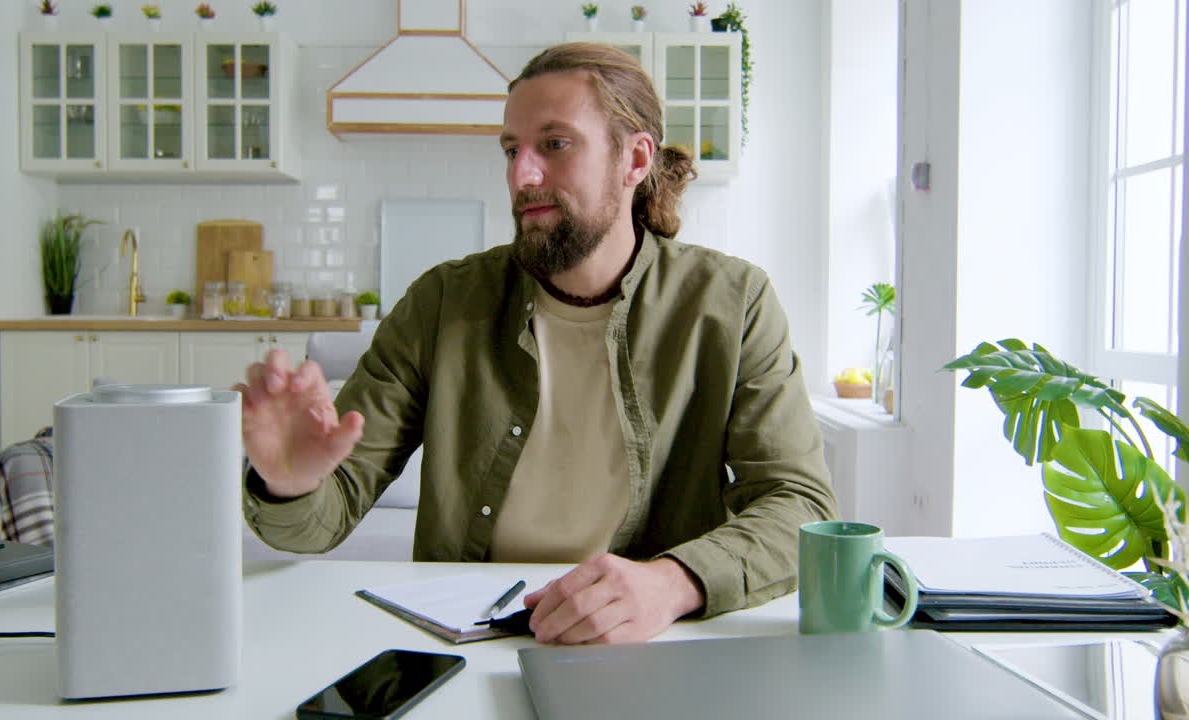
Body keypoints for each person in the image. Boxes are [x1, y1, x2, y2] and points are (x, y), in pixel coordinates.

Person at [238, 42, 838, 645]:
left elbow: (800, 506)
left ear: (634, 159)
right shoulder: (443, 303)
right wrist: (290, 484)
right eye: (511, 149)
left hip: (648, 636)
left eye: (554, 144)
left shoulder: (732, 303)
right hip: (466, 636)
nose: (521, 175)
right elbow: (315, 524)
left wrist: (671, 582)